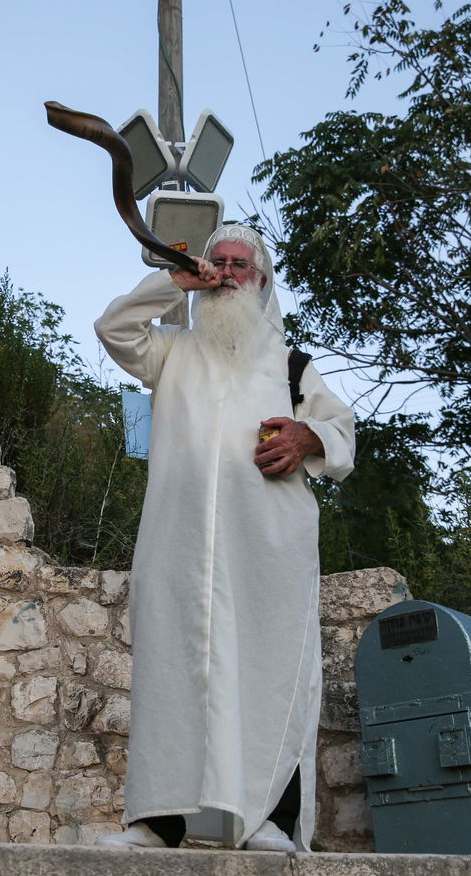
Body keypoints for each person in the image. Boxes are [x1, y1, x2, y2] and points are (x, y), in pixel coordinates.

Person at [91, 224, 355, 851]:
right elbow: (113, 329)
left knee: (272, 670)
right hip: (178, 543)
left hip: (268, 547)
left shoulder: (291, 366)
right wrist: (170, 281)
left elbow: (342, 432)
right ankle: (158, 823)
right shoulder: (172, 351)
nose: (228, 272)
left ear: (261, 281)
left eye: (242, 264)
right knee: (171, 670)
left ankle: (272, 820)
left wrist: (307, 437)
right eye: (218, 262)